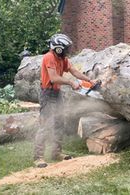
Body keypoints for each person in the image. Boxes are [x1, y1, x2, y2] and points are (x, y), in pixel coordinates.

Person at [33, 34, 96, 169]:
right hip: (47, 93)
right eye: (65, 49)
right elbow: (54, 78)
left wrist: (89, 81)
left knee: (59, 123)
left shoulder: (63, 59)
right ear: (58, 49)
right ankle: (38, 157)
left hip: (57, 93)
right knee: (46, 125)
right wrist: (70, 83)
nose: (67, 51)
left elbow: (74, 71)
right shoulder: (49, 57)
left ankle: (56, 152)